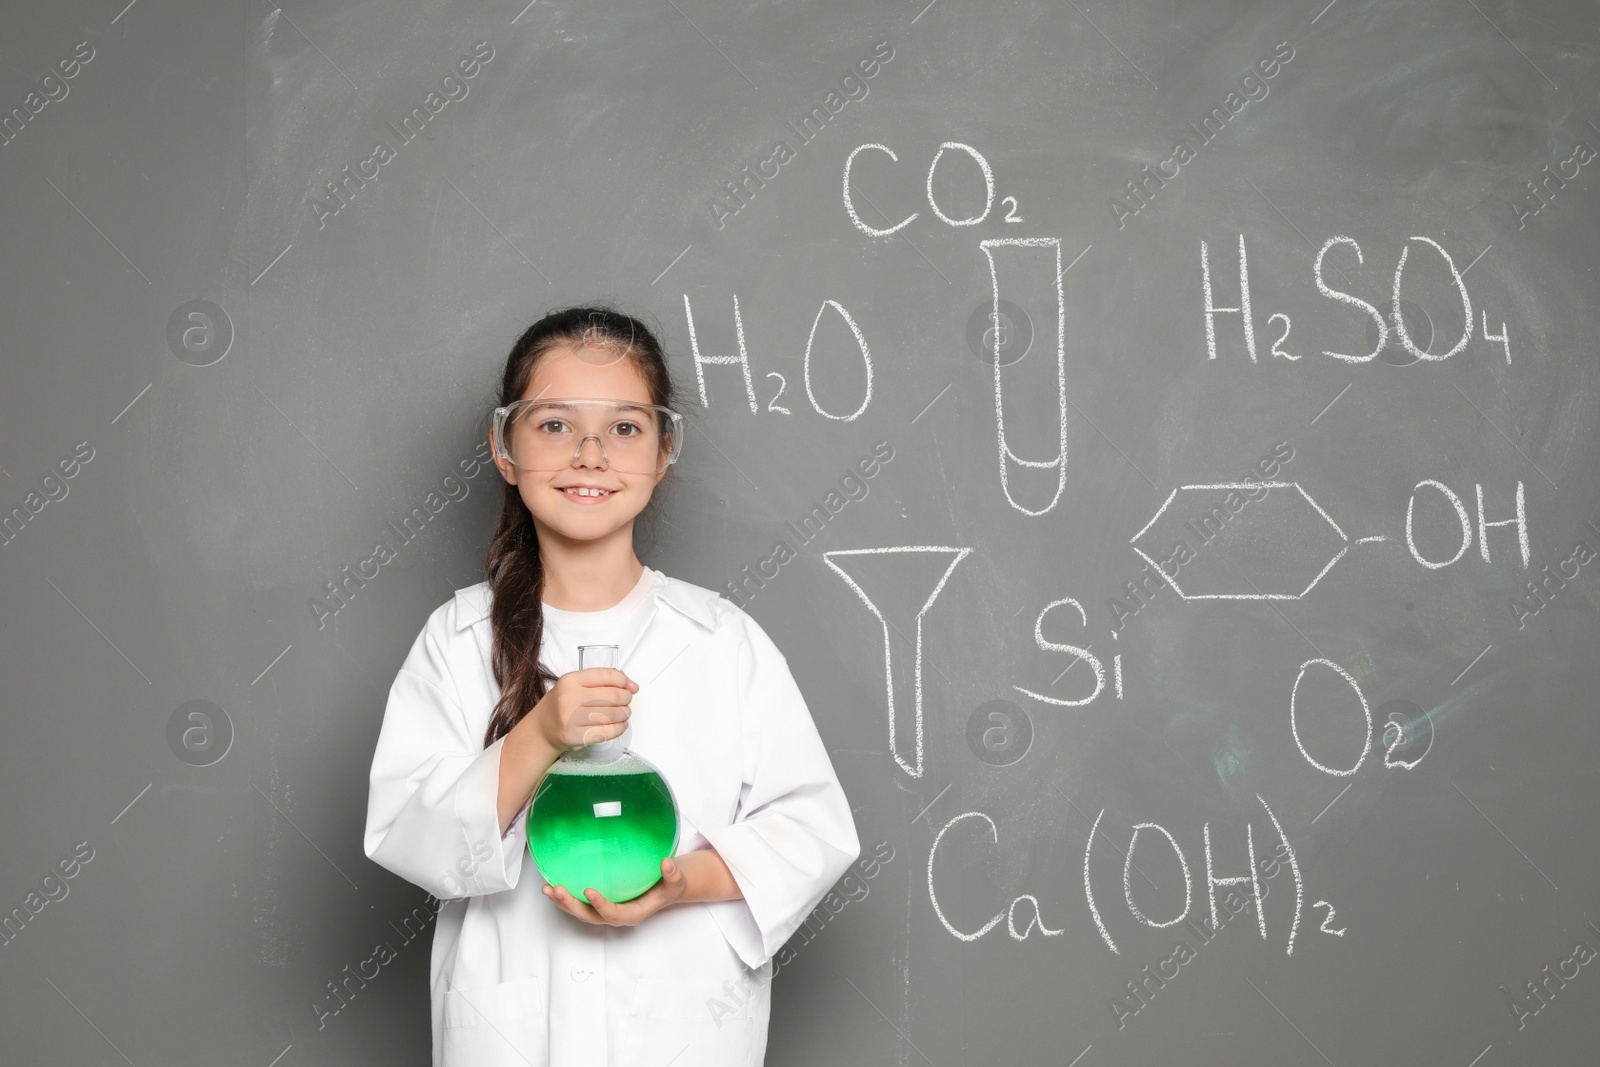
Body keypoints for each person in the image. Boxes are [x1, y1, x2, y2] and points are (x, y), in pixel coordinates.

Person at [363, 305, 861, 1066]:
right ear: (504, 447)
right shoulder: (458, 637)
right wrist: (540, 733)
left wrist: (678, 884)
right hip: (509, 1036)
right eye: (555, 425)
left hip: (681, 1031)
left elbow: (812, 831)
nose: (590, 453)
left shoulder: (723, 641)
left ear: (664, 452)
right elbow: (410, 835)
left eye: (624, 428)